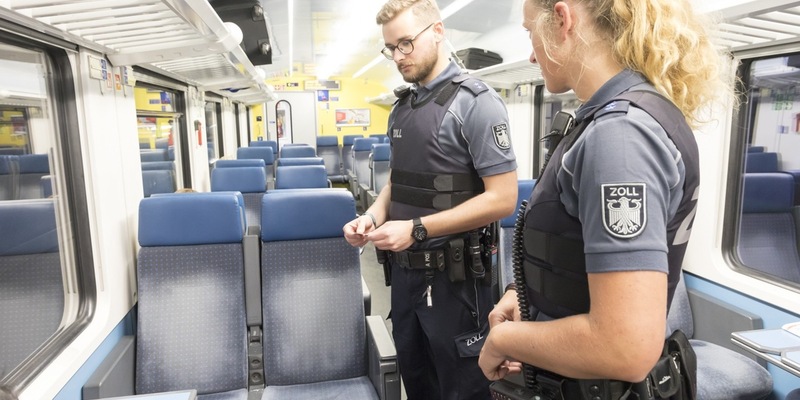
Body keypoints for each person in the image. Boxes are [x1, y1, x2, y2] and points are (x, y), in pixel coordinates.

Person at [478, 0, 732, 398]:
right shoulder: (622, 117)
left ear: (562, 20)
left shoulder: (620, 137)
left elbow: (625, 346)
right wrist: (523, 295)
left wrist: (504, 340)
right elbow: (573, 258)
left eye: (531, 33)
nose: (531, 55)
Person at [342, 0, 518, 398]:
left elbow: (503, 199)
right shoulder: (401, 109)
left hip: (456, 281)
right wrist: (372, 217)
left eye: (406, 43)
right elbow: (397, 184)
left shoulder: (476, 103)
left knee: (464, 389)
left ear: (437, 31)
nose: (398, 56)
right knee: (417, 383)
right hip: (404, 279)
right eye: (391, 48)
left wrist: (418, 229)